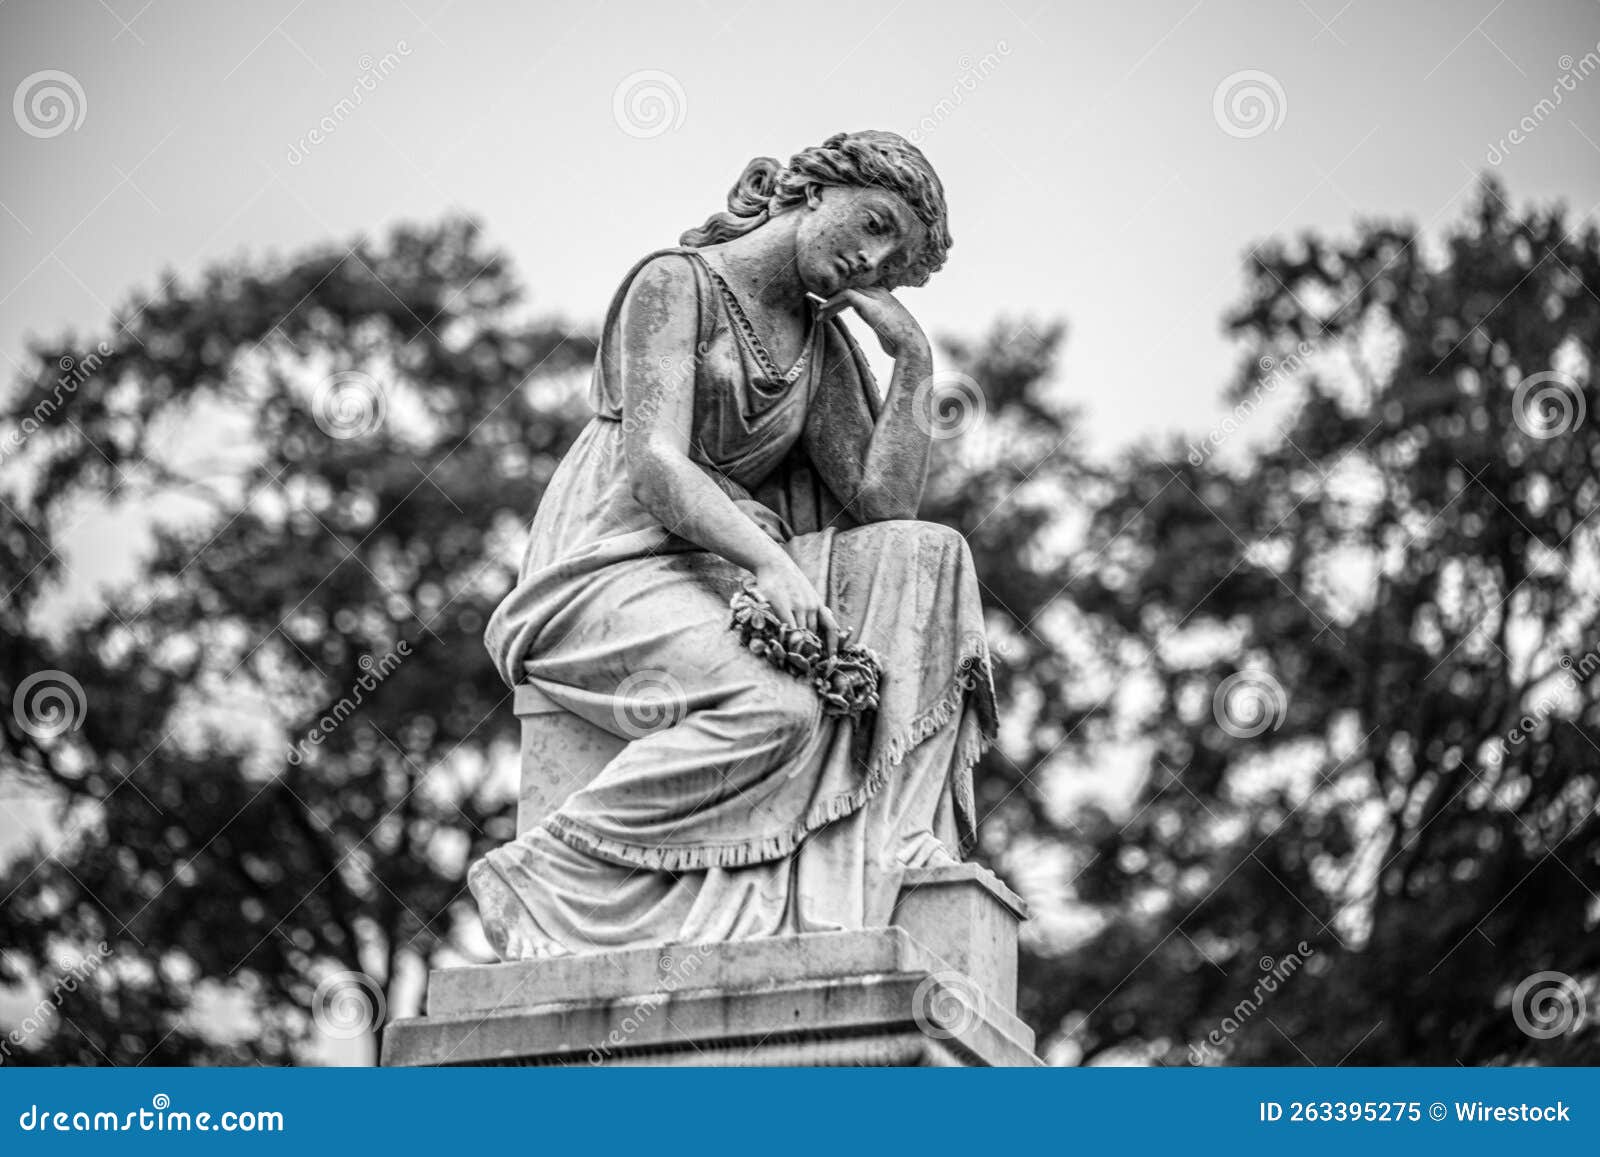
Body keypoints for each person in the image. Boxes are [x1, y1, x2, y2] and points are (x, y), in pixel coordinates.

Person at [470, 130, 996, 960]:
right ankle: (548, 869)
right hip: (609, 563)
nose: (876, 259)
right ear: (815, 191)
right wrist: (770, 564)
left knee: (933, 555)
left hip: (720, 566)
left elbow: (883, 506)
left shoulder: (818, 347)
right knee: (776, 707)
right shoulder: (675, 284)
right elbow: (653, 466)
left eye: (895, 260)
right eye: (874, 223)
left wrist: (913, 363)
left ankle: (883, 846)